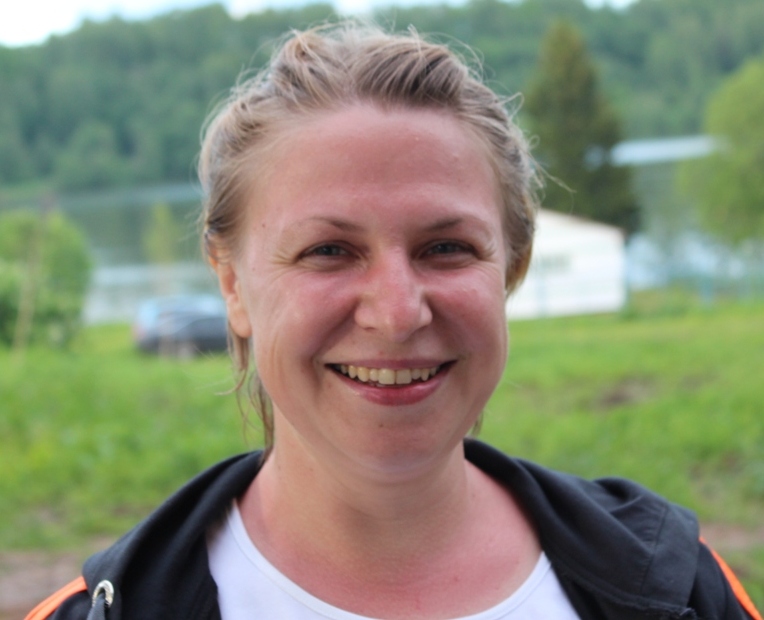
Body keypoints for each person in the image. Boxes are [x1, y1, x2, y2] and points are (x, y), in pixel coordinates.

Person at [27, 22, 761, 620]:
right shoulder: (107, 610)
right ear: (232, 284)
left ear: (511, 268)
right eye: (328, 251)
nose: (399, 312)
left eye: (447, 248)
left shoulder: (676, 588)